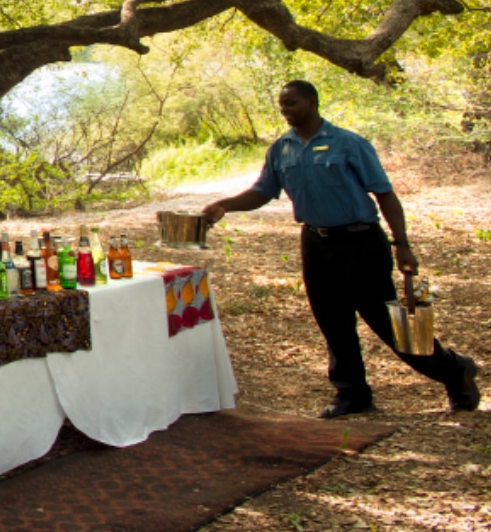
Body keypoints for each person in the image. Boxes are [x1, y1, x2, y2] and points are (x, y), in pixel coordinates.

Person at [202, 80, 478, 418]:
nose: (285, 110)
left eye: (291, 104)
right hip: (316, 243)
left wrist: (402, 244)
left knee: (389, 323)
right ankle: (352, 395)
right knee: (332, 320)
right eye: (281, 105)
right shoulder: (282, 149)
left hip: (360, 241)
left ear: (312, 102)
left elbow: (385, 195)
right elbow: (262, 192)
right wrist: (223, 206)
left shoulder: (348, 144)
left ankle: (454, 371)